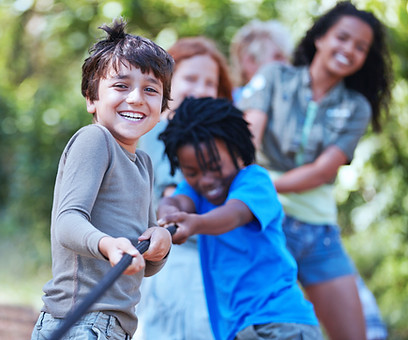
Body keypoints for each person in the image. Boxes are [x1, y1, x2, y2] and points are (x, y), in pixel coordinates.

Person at [238, 2, 392, 340]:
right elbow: (246, 142)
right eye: (343, 38)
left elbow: (322, 172)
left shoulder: (356, 106)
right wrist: (258, 194)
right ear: (320, 37)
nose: (349, 49)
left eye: (360, 47)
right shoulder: (274, 77)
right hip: (267, 223)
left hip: (319, 234)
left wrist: (264, 183)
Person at [31, 19, 174, 340]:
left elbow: (140, 261)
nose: (137, 98)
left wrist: (159, 246)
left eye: (151, 89)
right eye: (121, 86)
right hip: (80, 321)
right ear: (91, 98)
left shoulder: (143, 163)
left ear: (162, 107)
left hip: (112, 325)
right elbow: (67, 222)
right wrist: (107, 244)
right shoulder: (95, 140)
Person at [156, 96, 323, 340]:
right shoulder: (194, 192)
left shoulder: (254, 181)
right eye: (191, 172)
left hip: (279, 323)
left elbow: (234, 214)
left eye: (215, 166)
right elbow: (174, 202)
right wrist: (167, 216)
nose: (206, 180)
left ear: (238, 150)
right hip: (237, 330)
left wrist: (195, 223)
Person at [134, 37, 233, 340]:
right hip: (176, 261)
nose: (200, 89)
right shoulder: (162, 130)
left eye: (210, 83)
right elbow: (171, 196)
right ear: (167, 83)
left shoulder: (216, 141)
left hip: (208, 259)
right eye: (190, 78)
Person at [229, 19, 293, 103]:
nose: (287, 65)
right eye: (277, 57)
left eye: (286, 58)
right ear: (250, 61)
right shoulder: (232, 103)